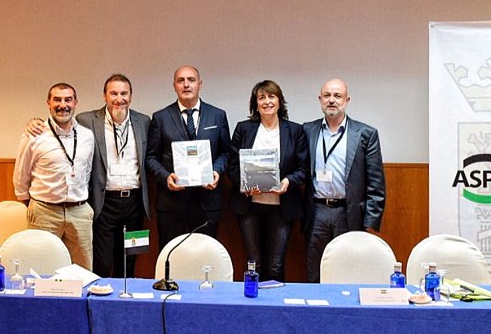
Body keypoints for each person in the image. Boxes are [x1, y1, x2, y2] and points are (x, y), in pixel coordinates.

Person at [25, 74, 151, 278]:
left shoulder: (144, 122)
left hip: (136, 203)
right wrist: (33, 122)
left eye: (124, 93)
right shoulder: (87, 120)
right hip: (104, 202)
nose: (119, 98)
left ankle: (126, 305)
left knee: (131, 257)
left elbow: (152, 156)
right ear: (105, 96)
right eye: (113, 93)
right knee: (101, 261)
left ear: (131, 96)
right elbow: (58, 123)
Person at [303, 79, 386, 283]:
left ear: (347, 100)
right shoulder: (307, 130)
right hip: (316, 212)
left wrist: (369, 222)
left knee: (347, 269)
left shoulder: (365, 134)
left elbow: (376, 183)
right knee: (315, 269)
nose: (332, 100)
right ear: (320, 99)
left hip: (348, 213)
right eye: (327, 95)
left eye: (337, 96)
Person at [229, 80, 309, 282]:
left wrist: (288, 181)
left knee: (276, 265)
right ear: (255, 104)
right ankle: (253, 306)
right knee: (253, 262)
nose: (267, 102)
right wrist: (244, 185)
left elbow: (304, 169)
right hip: (250, 207)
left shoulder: (295, 131)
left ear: (280, 101)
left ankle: (273, 310)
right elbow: (232, 166)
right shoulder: (244, 129)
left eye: (271, 96)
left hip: (282, 208)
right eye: (261, 97)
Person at [146, 65, 231, 249]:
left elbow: (226, 153)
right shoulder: (160, 117)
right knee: (171, 258)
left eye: (191, 80)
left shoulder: (217, 115)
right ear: (174, 86)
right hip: (171, 204)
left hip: (207, 202)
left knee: (205, 258)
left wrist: (216, 171)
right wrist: (165, 177)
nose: (186, 85)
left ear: (200, 84)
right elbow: (151, 157)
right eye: (180, 80)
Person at [13, 83, 95, 270]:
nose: (62, 105)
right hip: (45, 212)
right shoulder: (34, 135)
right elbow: (21, 176)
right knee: (41, 269)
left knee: (83, 270)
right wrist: (34, 204)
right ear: (48, 103)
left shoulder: (86, 136)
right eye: (57, 99)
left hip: (79, 212)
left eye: (68, 99)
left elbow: (87, 170)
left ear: (75, 103)